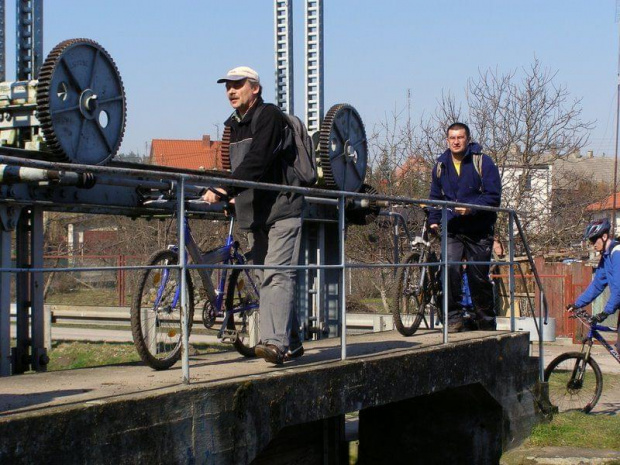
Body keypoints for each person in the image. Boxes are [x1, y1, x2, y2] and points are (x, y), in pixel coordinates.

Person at [203, 66, 304, 364]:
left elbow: (257, 161)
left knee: (276, 274)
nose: (231, 91)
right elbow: (235, 167)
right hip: (255, 210)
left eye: (238, 85)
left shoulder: (269, 116)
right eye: (228, 86)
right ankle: (294, 341)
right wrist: (230, 196)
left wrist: (224, 188)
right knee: (263, 276)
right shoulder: (232, 125)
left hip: (283, 207)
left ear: (255, 89)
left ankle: (275, 343)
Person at [428, 122, 502, 332]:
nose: (456, 141)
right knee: (450, 268)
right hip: (453, 228)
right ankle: (453, 318)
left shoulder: (483, 162)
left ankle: (485, 322)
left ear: (468, 139)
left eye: (460, 137)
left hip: (479, 229)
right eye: (452, 138)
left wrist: (471, 209)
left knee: (477, 276)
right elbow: (435, 197)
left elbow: (493, 197)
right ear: (447, 140)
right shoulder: (440, 166)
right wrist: (433, 219)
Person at [569, 218, 620, 352]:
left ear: (604, 236)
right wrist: (577, 304)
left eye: (594, 240)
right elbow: (597, 285)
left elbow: (619, 289)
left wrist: (605, 312)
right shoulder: (606, 257)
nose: (592, 245)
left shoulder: (617, 253)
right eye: (590, 241)